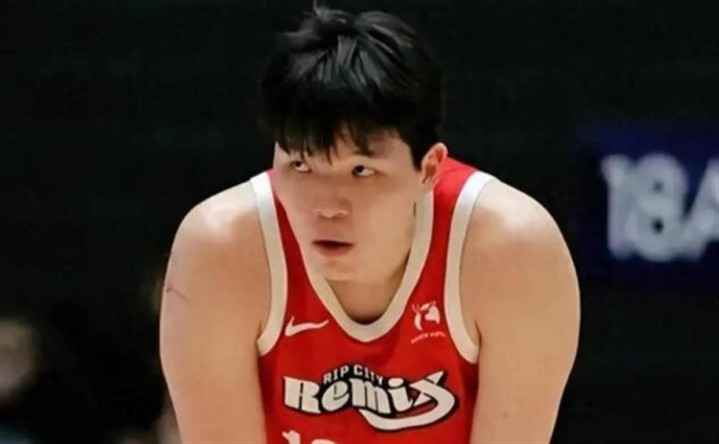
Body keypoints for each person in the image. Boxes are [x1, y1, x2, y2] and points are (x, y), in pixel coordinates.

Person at [159, 6, 580, 444]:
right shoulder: (221, 249)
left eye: (361, 171)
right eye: (301, 165)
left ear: (429, 169)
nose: (326, 207)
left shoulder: (512, 250)